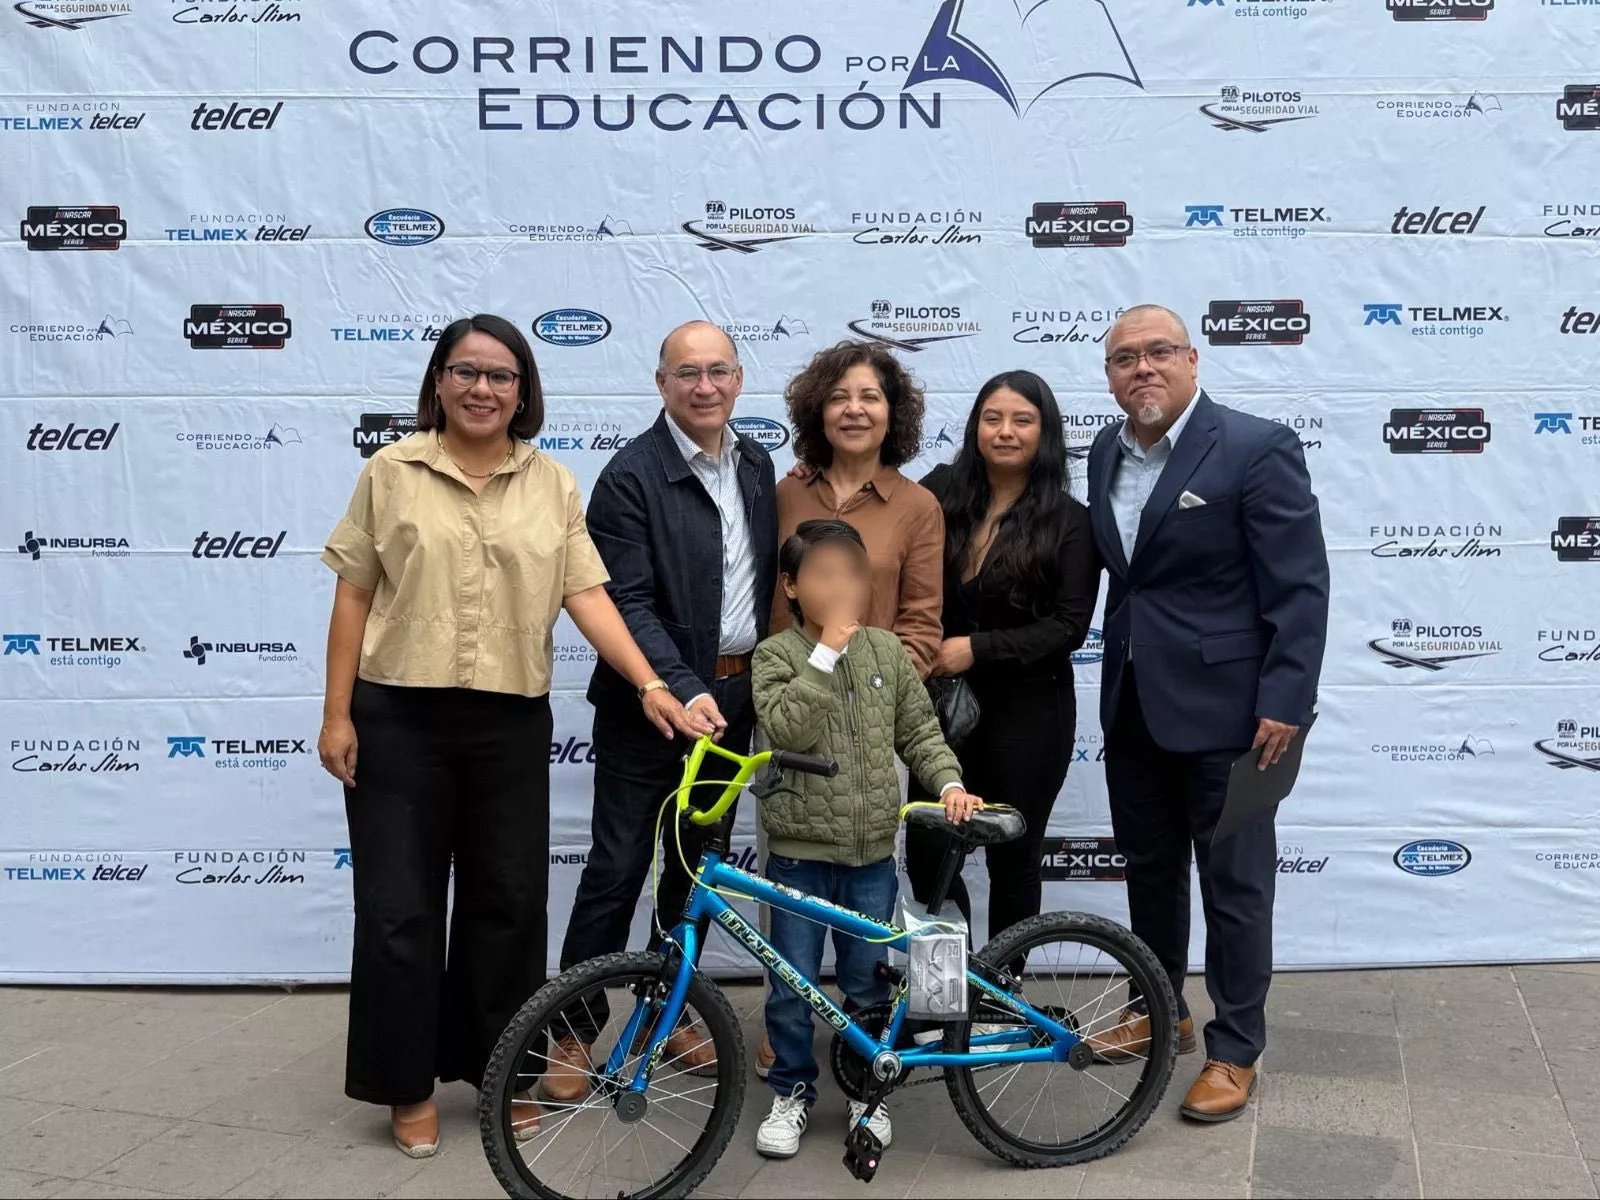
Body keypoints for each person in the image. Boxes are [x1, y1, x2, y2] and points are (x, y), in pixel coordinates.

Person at [317, 314, 707, 1158]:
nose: (482, 388)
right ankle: (406, 1085)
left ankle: (503, 1076)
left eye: (500, 376)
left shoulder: (551, 482)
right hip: (398, 718)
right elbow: (353, 593)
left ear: (523, 391)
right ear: (439, 381)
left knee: (507, 907)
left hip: (508, 725)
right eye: (466, 371)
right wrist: (336, 713)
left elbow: (588, 594)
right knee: (398, 910)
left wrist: (649, 683)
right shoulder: (390, 471)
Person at [1085, 304, 1329, 1123]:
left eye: (1159, 352)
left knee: (1235, 887)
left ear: (1192, 360)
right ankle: (1160, 1012)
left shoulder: (1256, 447)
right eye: (1125, 358)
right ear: (1110, 376)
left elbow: (1300, 586)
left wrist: (1285, 698)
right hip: (1133, 707)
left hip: (1233, 716)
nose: (1143, 368)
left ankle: (1236, 1048)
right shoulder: (1104, 451)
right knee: (1150, 876)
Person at [545, 320, 778, 1102]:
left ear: (738, 379)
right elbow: (629, 603)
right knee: (616, 869)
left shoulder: (756, 464)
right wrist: (681, 686)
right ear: (661, 383)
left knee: (694, 870)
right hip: (648, 705)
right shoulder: (629, 477)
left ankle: (665, 1016)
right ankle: (571, 1033)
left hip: (732, 702)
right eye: (687, 373)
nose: (704, 387)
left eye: (718, 371)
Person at [751, 518, 982, 1159]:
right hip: (798, 856)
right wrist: (825, 653)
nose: (842, 587)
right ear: (791, 586)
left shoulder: (886, 651)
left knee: (867, 984)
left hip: (873, 856)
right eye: (823, 574)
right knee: (791, 985)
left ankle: (864, 1092)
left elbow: (920, 733)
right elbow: (787, 731)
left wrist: (949, 783)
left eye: (854, 574)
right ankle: (791, 1091)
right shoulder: (775, 655)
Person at [904, 370, 1101, 944]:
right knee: (929, 857)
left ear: (1046, 432)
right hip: (942, 716)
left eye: (1022, 420)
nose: (1005, 431)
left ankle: (1001, 987)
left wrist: (975, 648)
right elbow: (881, 506)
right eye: (993, 419)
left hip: (1030, 717)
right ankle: (953, 981)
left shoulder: (1070, 520)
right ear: (975, 427)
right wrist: (818, 472)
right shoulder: (940, 491)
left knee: (1013, 862)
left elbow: (1068, 627)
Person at [771, 341, 945, 678]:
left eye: (870, 397)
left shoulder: (920, 508)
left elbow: (920, 629)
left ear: (892, 415)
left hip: (871, 701)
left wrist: (876, 694)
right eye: (838, 398)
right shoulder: (786, 493)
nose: (853, 409)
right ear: (819, 413)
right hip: (784, 695)